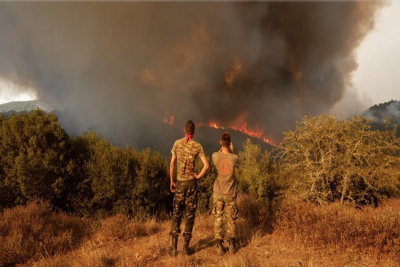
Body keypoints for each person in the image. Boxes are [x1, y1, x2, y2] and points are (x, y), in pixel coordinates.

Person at [168, 120, 209, 257]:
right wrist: (198, 176)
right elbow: (207, 165)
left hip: (180, 183)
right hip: (191, 183)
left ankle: (174, 249)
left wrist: (172, 181)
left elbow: (172, 165)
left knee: (177, 213)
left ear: (184, 131)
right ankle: (186, 248)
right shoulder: (197, 146)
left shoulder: (177, 143)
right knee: (189, 215)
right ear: (194, 132)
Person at [212, 132, 240, 255]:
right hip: (230, 193)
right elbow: (238, 158)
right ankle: (232, 244)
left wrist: (222, 148)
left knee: (218, 218)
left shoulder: (215, 156)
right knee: (231, 219)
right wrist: (233, 150)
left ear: (220, 142)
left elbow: (218, 153)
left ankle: (219, 245)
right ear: (230, 143)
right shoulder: (234, 158)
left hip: (218, 192)